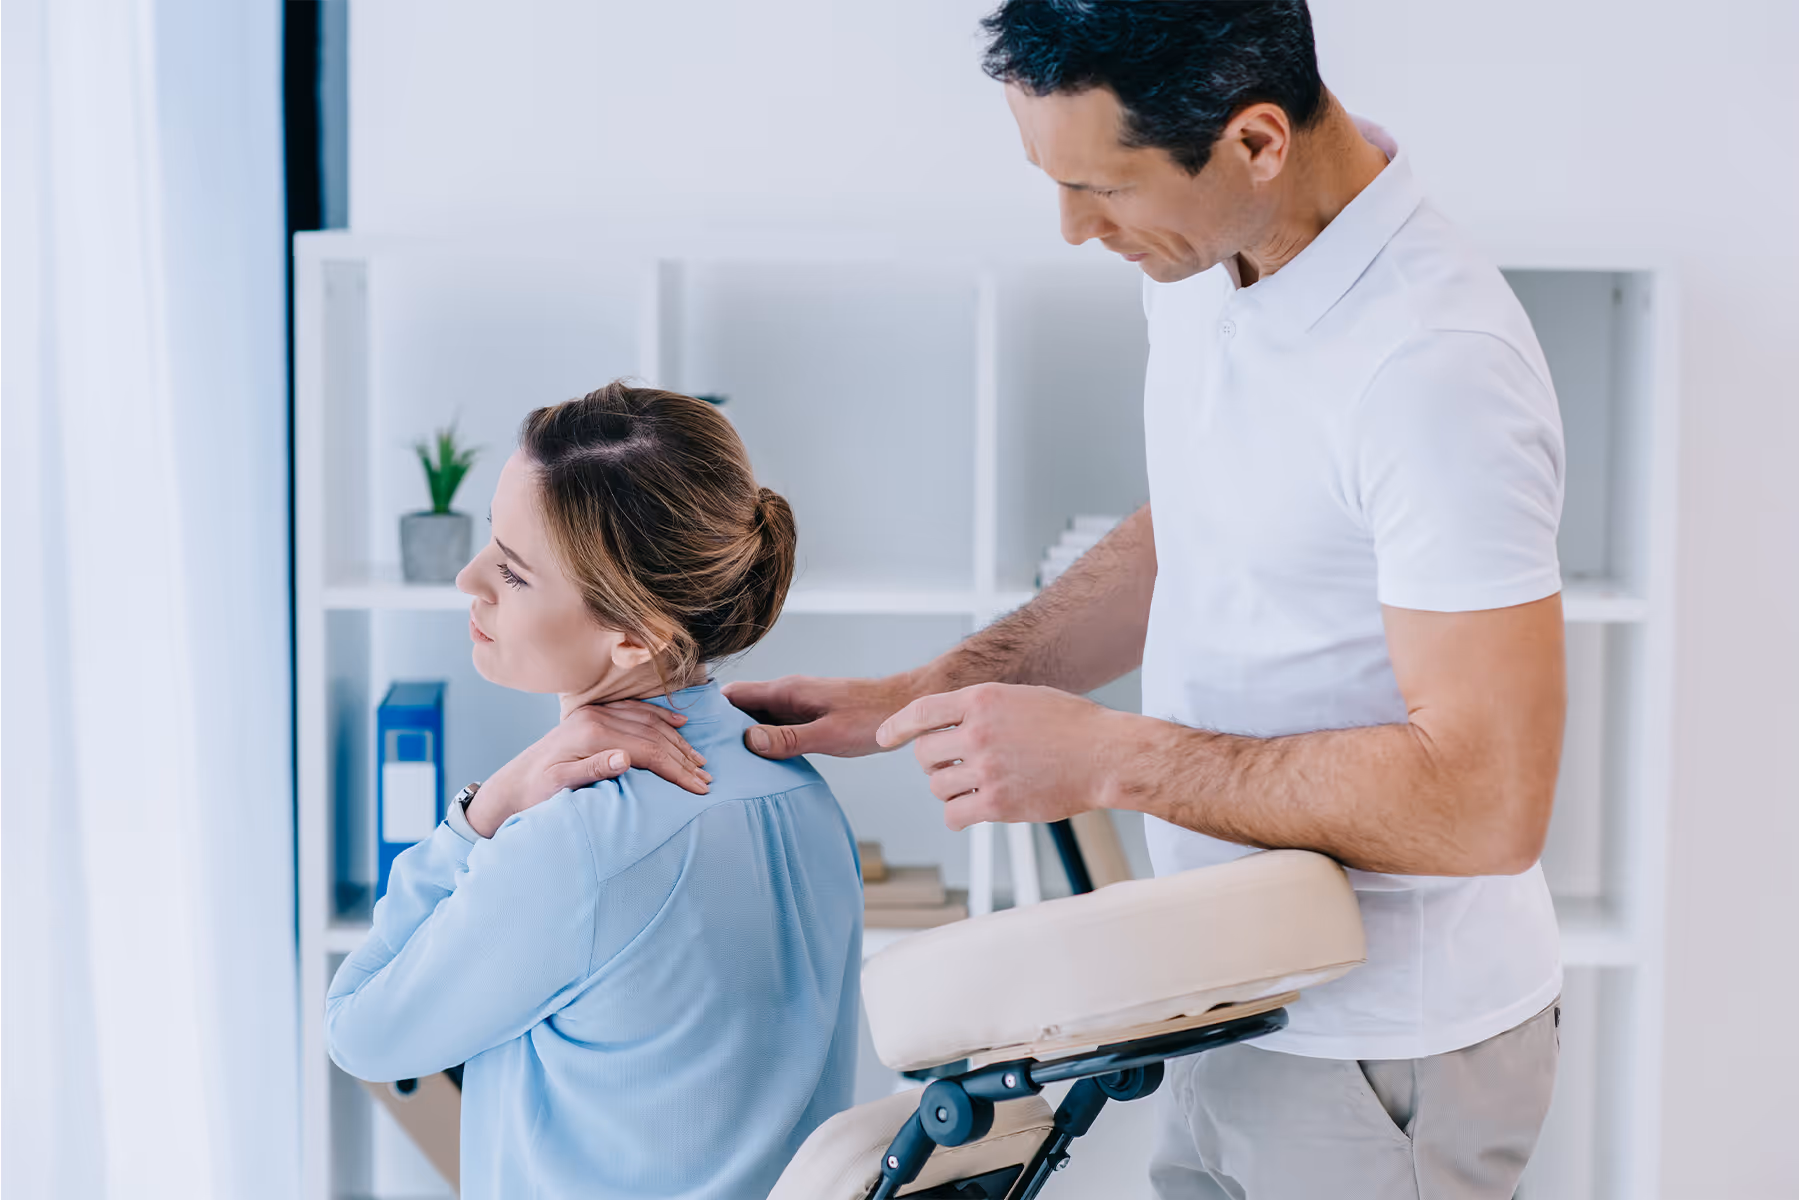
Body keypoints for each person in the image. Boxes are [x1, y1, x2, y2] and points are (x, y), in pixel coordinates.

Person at [723, 3, 1565, 1197]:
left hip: (1382, 1054)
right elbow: (1199, 533)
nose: (1073, 230)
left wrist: (1112, 761)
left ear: (1258, 142)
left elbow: (1489, 800)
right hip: (1227, 990)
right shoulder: (1203, 251)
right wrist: (935, 690)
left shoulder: (1436, 370)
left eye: (1101, 188)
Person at [326, 382, 863, 1200]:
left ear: (631, 637)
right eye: (488, 543)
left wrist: (487, 808)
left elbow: (360, 1028)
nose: (470, 580)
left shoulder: (576, 843)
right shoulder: (802, 792)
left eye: (511, 571)